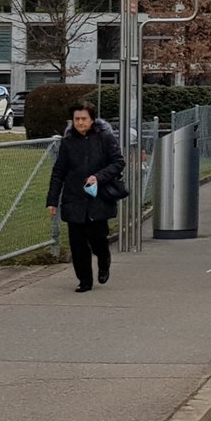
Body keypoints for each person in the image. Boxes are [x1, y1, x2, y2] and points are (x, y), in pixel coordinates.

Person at [46, 100, 125, 292]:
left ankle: (104, 258)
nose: (80, 123)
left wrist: (98, 177)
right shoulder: (67, 143)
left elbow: (118, 162)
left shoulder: (105, 138)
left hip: (98, 197)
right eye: (76, 119)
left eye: (84, 119)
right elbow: (58, 172)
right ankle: (84, 280)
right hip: (74, 198)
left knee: (98, 238)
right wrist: (52, 200)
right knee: (78, 243)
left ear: (92, 120)